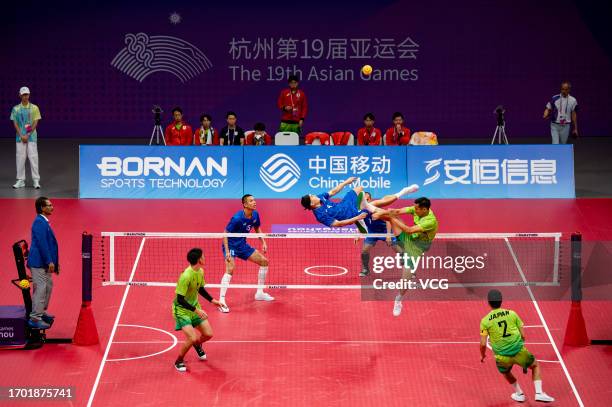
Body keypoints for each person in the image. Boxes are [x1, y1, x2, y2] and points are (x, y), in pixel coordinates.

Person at [480, 289, 555, 402]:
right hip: (519, 351)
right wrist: (521, 347)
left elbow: (483, 344)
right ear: (501, 301)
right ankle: (539, 393)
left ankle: (519, 394)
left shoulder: (485, 321)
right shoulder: (512, 314)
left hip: (502, 357)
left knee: (505, 372)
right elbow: (523, 335)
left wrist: (483, 355)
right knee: (535, 365)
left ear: (488, 302)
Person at [374, 197, 438, 316]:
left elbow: (409, 230)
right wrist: (382, 213)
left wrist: (390, 216)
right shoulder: (417, 209)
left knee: (405, 281)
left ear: (424, 209)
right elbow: (397, 212)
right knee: (391, 215)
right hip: (410, 239)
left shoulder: (430, 221)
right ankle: (369, 209)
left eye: (417, 209)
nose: (414, 210)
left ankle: (398, 300)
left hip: (417, 247)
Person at [300, 177, 419, 232]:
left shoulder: (320, 197)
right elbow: (338, 224)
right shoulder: (320, 215)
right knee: (384, 212)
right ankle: (402, 192)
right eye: (312, 196)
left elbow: (333, 191)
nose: (314, 195)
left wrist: (346, 182)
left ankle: (366, 205)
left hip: (344, 204)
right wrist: (356, 218)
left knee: (360, 188)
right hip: (350, 214)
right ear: (311, 203)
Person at [220, 194, 273, 313]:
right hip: (231, 245)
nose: (254, 202)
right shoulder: (237, 218)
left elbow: (257, 228)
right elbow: (225, 233)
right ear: (245, 204)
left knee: (264, 262)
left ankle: (259, 293)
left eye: (254, 200)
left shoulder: (255, 214)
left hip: (242, 245)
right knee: (230, 268)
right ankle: (221, 300)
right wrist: (227, 251)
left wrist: (263, 241)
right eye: (251, 201)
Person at [172, 248, 223, 372]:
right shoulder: (186, 276)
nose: (205, 258)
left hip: (195, 307)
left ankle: (197, 345)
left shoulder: (200, 271)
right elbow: (180, 300)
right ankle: (178, 361)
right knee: (192, 338)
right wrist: (196, 310)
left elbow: (200, 288)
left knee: (208, 334)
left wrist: (212, 300)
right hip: (182, 310)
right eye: (203, 256)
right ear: (199, 259)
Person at [27, 197, 58, 329]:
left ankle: (41, 312)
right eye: (49, 205)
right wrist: (49, 260)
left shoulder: (44, 222)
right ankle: (35, 318)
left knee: (48, 286)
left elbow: (49, 244)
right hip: (39, 262)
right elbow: (42, 244)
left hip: (44, 262)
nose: (52, 207)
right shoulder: (39, 222)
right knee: (41, 288)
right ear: (42, 208)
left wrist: (54, 262)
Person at [357, 192, 404, 277]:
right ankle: (365, 269)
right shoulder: (360, 210)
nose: (365, 201)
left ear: (370, 200)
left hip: (384, 231)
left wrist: (388, 235)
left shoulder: (375, 209)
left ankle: (409, 269)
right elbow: (360, 222)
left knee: (399, 250)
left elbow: (388, 220)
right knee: (364, 250)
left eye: (367, 199)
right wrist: (358, 235)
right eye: (364, 199)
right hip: (372, 232)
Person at [11, 86, 42, 189]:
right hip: (20, 137)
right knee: (20, 158)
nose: (25, 96)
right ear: (20, 95)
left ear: (29, 95)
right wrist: (21, 135)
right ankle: (20, 180)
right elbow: (15, 123)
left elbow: (35, 122)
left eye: (27, 94)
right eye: (23, 94)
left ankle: (36, 180)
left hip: (31, 137)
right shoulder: (16, 109)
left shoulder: (34, 108)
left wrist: (27, 135)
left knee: (33, 157)